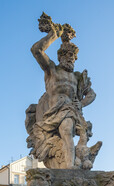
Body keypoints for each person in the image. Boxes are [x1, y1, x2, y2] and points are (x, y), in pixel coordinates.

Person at [27, 13, 96, 169]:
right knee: (64, 134)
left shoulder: (77, 77)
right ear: (61, 56)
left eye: (74, 56)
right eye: (69, 55)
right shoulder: (52, 70)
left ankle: (71, 166)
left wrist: (81, 104)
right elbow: (36, 50)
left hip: (69, 110)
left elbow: (92, 94)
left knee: (67, 131)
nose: (72, 58)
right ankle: (70, 165)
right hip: (51, 112)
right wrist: (53, 35)